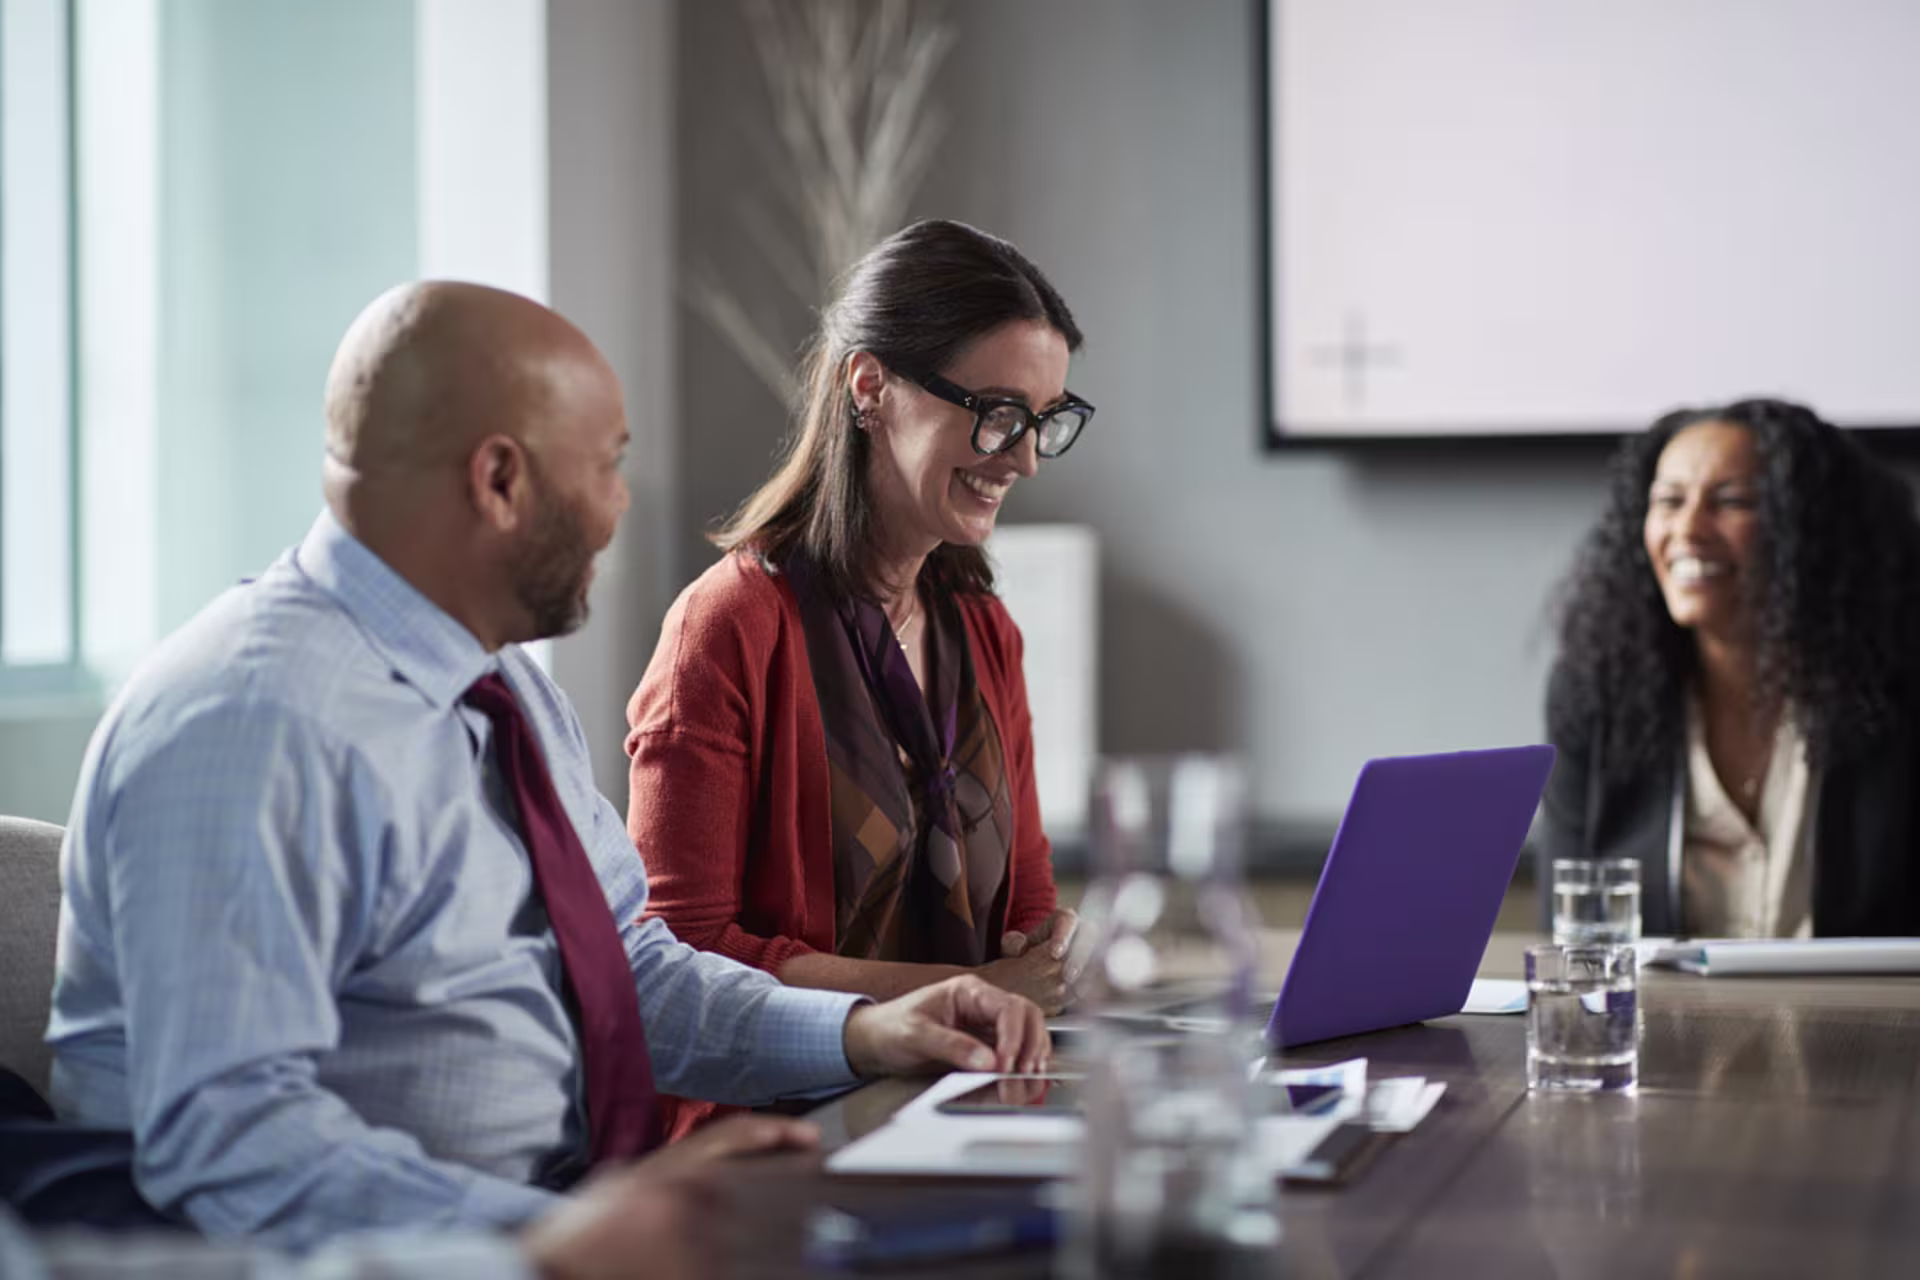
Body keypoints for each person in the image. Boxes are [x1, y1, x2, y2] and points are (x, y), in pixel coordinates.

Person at [45, 281, 1049, 1252]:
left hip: (565, 1216)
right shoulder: (252, 721)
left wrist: (865, 1029)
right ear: (500, 479)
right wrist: (553, 1239)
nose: (618, 508)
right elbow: (234, 1155)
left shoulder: (501, 684)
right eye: (606, 466)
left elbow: (630, 966)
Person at [624, 219, 1088, 1139]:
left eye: (1044, 421)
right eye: (998, 412)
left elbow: (1025, 908)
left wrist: (1047, 955)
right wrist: (964, 997)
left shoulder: (985, 633)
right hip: (772, 1139)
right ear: (869, 386)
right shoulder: (727, 628)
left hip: (963, 1110)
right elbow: (680, 960)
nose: (1025, 456)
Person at [1540, 397, 1920, 937]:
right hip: (1665, 1023)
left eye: (1732, 501)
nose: (1688, 528)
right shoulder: (1597, 694)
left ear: (1806, 528)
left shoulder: (1899, 689)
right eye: (1669, 501)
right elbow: (1571, 933)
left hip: (1869, 1022)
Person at [1, 1120, 781, 1280]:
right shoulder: (249, 722)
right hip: (461, 1220)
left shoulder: (519, 704)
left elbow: (628, 950)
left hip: (572, 1198)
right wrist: (538, 1249)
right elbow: (241, 1138)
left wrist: (855, 1029)